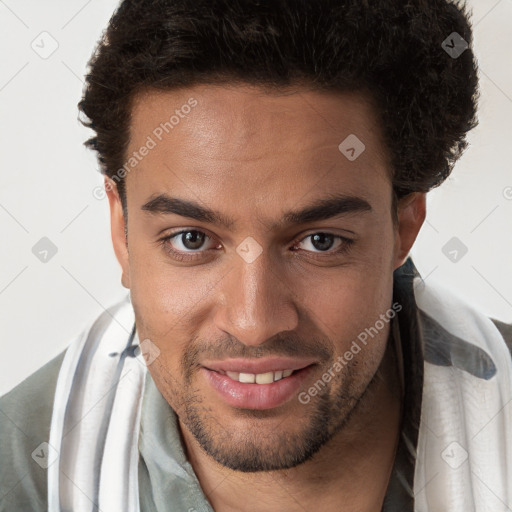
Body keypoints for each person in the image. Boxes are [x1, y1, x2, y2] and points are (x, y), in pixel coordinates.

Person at [1, 0, 511, 511]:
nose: (253, 323)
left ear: (404, 228)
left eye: (320, 241)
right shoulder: (20, 475)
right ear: (122, 231)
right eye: (192, 240)